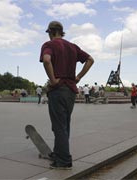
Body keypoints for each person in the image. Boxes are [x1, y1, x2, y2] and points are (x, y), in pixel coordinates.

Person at [39, 21, 94, 169]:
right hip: (71, 90)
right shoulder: (72, 47)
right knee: (64, 125)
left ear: (50, 31)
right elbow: (90, 60)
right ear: (61, 31)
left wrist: (53, 80)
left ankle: (63, 161)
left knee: (59, 126)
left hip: (58, 90)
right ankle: (58, 153)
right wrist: (79, 77)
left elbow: (46, 60)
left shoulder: (49, 45)